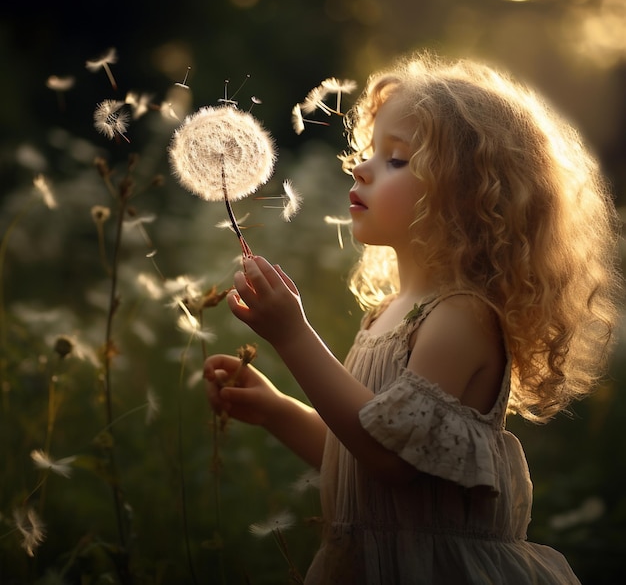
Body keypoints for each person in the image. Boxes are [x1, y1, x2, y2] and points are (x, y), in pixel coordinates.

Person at [204, 51, 623, 584]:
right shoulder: (388, 315)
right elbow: (360, 457)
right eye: (369, 150)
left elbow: (390, 461)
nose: (361, 166)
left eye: (396, 159)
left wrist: (293, 336)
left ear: (467, 197)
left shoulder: (460, 319)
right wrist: (277, 411)